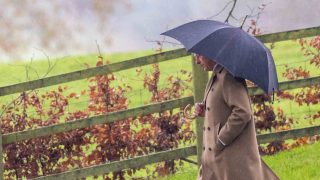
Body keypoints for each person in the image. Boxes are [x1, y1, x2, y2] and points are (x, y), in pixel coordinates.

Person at [193, 54, 279, 180]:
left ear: (212, 54)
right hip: (216, 161)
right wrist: (206, 111)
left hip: (229, 162)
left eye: (199, 56)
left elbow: (242, 112)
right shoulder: (217, 75)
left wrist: (221, 139)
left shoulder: (228, 77)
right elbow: (224, 109)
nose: (197, 61)